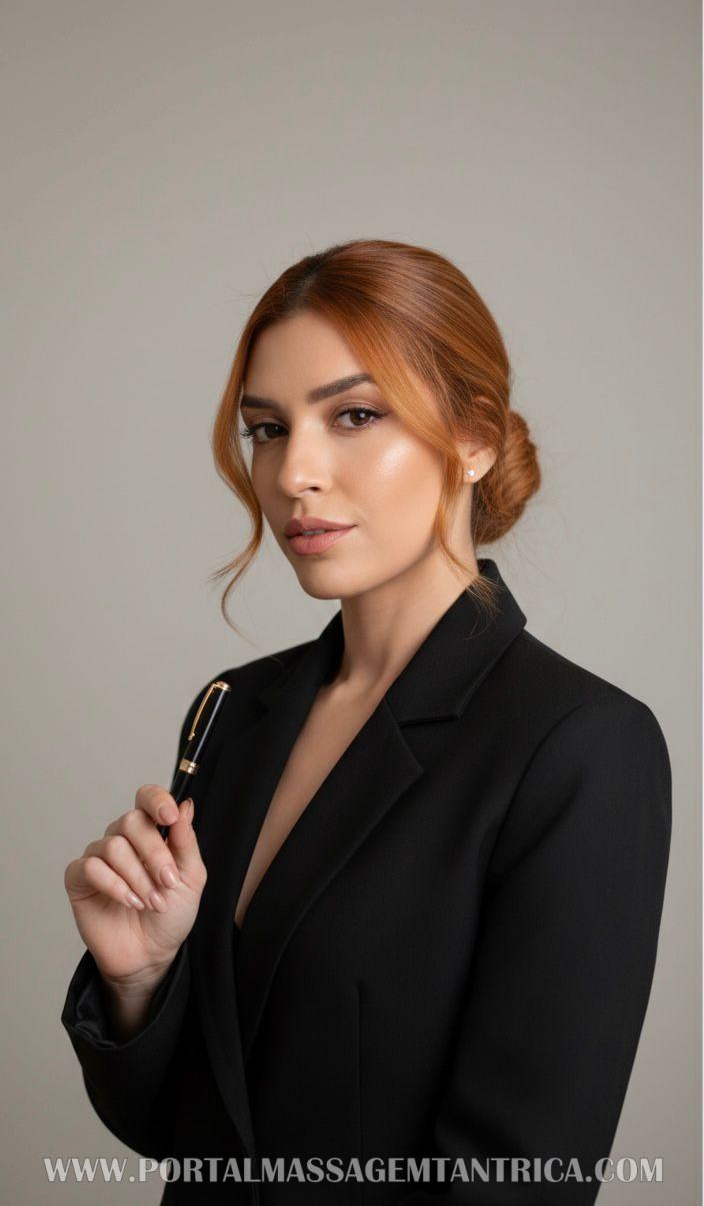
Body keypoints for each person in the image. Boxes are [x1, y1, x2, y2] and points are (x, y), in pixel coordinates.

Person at [61, 239, 672, 1205]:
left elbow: (521, 1180)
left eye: (354, 414)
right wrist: (141, 980)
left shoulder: (579, 747)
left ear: (473, 437)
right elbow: (183, 1133)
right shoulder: (234, 710)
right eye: (268, 429)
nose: (294, 472)